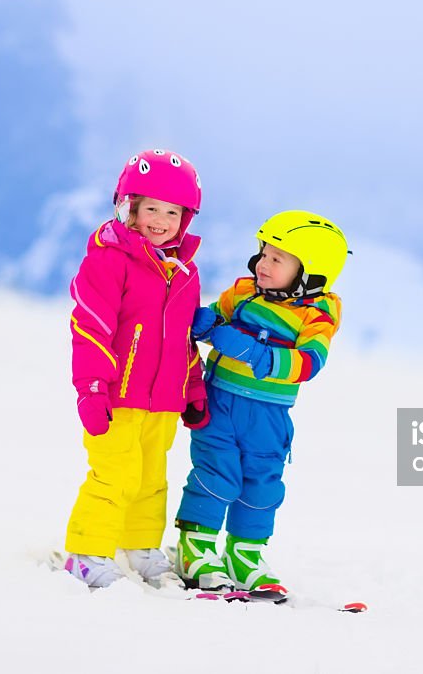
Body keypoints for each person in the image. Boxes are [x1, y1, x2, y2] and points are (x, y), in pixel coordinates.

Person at [173, 210, 349, 591]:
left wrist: (257, 354)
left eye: (276, 259)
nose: (261, 264)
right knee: (216, 472)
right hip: (220, 403)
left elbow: (309, 363)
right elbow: (211, 321)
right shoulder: (243, 293)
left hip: (269, 417)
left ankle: (245, 553)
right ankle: (194, 547)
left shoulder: (317, 314)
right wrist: (205, 323)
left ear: (310, 273)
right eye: (263, 253)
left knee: (262, 483)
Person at [61, 149, 208, 589]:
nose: (161, 220)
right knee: (114, 474)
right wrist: (91, 389)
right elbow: (91, 327)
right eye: (151, 209)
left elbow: (183, 338)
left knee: (150, 477)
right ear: (129, 207)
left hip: (162, 400)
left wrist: (193, 388)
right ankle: (86, 552)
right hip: (117, 395)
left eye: (172, 212)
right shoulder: (109, 260)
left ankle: (141, 545)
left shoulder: (183, 271)